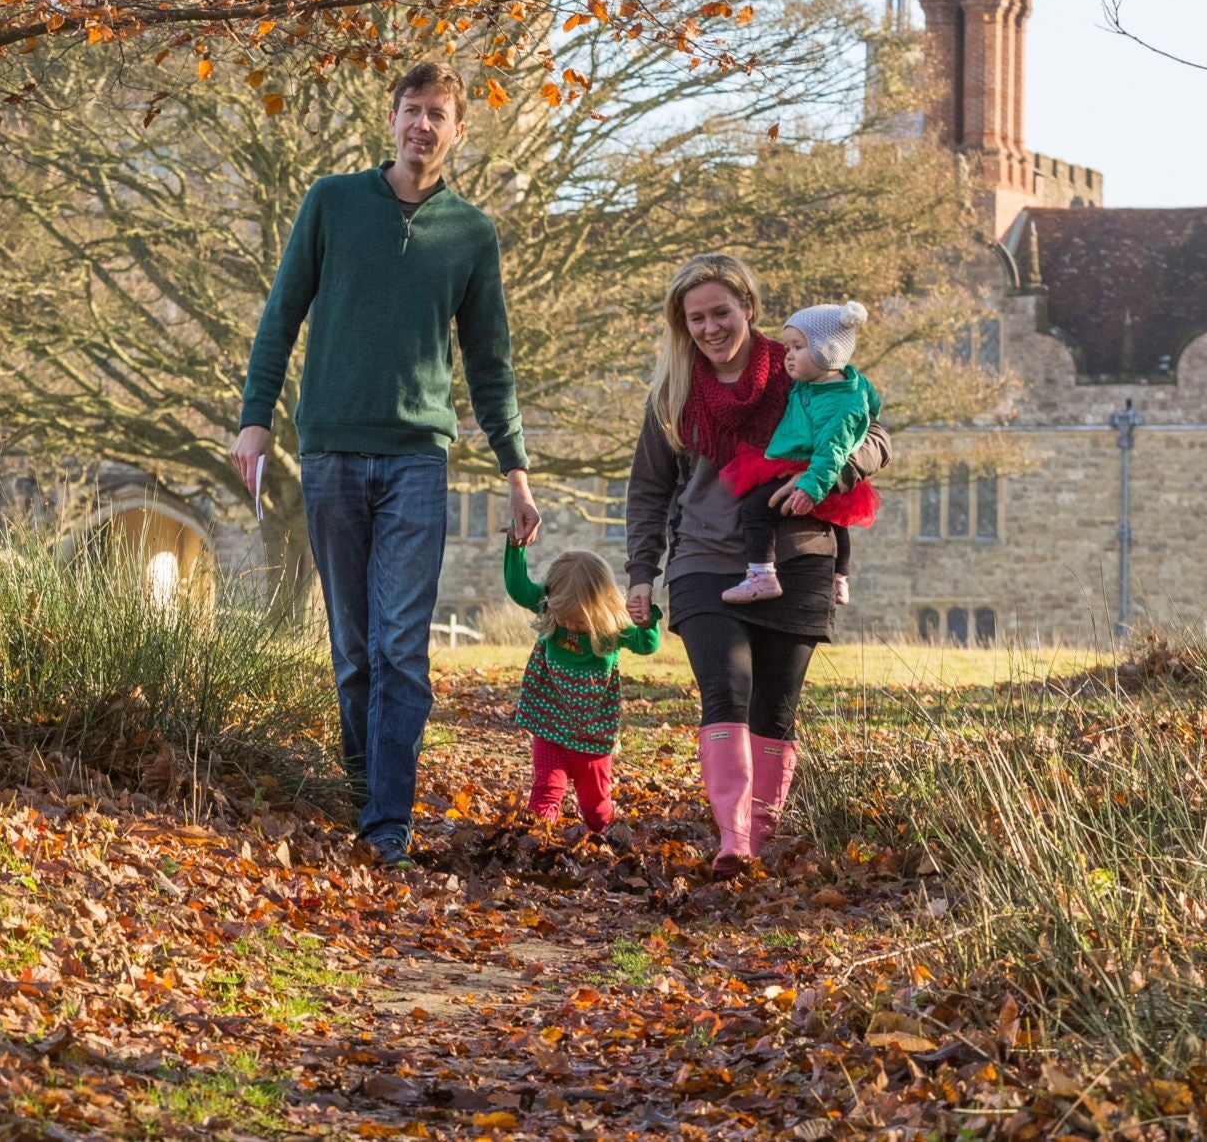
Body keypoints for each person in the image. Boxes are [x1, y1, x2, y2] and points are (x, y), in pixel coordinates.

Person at [233, 60, 538, 866]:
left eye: (440, 114)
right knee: (356, 648)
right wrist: (254, 419)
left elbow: (490, 362)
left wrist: (515, 468)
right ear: (392, 117)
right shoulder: (331, 203)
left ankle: (386, 824)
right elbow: (281, 315)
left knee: (402, 645)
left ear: (458, 130)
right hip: (331, 451)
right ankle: (364, 788)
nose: (423, 126)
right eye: (413, 110)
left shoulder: (471, 234)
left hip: (415, 463)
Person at [624, 255, 891, 871]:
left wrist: (836, 471)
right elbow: (648, 489)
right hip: (702, 559)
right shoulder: (674, 392)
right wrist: (642, 571)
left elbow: (872, 434)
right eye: (696, 319)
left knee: (775, 704)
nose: (710, 328)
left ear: (749, 307)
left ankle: (760, 839)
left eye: (721, 312)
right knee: (726, 689)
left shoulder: (804, 365)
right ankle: (734, 841)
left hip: (799, 555)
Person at [719, 301, 884, 607]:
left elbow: (833, 450)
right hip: (816, 468)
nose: (789, 356)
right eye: (787, 348)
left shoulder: (839, 406)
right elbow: (873, 401)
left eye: (797, 348)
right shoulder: (838, 383)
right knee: (838, 520)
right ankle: (840, 578)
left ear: (827, 351)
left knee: (757, 507)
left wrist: (809, 485)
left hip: (814, 470)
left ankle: (761, 574)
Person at [501, 541, 655, 837]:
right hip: (549, 728)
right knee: (545, 791)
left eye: (580, 620)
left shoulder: (613, 631)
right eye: (565, 617)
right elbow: (518, 587)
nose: (570, 626)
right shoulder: (552, 610)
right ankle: (536, 839)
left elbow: (646, 644)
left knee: (596, 808)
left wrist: (646, 619)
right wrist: (516, 547)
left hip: (593, 736)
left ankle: (609, 838)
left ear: (602, 608)